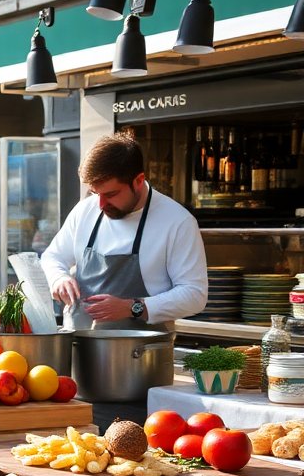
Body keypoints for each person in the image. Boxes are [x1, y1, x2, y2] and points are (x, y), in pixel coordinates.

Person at [42, 134, 208, 330]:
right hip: (77, 346)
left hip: (139, 353)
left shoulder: (177, 222)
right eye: (96, 194)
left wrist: (133, 307)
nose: (101, 204)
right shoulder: (85, 210)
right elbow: (52, 257)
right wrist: (58, 278)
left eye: (111, 194)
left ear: (138, 180)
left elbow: (194, 294)